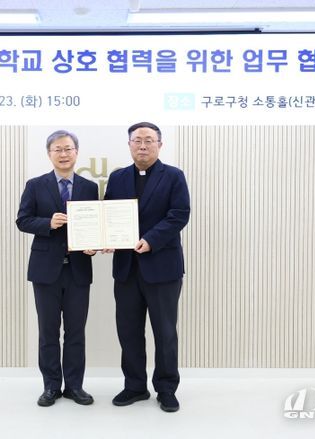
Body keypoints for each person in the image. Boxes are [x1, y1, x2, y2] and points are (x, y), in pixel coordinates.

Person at [104, 122, 190, 413]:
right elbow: (108, 214)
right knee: (128, 331)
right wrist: (106, 238)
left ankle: (166, 388)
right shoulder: (117, 177)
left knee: (165, 332)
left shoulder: (174, 176)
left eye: (149, 140)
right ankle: (135, 386)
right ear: (129, 145)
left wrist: (151, 240)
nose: (143, 145)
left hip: (162, 267)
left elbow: (179, 214)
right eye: (137, 140)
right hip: (126, 268)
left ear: (159, 145)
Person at [16, 130, 99, 407]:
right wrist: (48, 223)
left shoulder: (89, 187)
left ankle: (75, 386)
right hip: (45, 271)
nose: (63, 154)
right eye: (58, 149)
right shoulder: (35, 185)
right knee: (48, 332)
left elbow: (96, 224)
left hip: (78, 270)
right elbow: (23, 220)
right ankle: (51, 386)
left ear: (76, 152)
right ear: (49, 154)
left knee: (76, 332)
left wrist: (94, 244)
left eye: (68, 149)